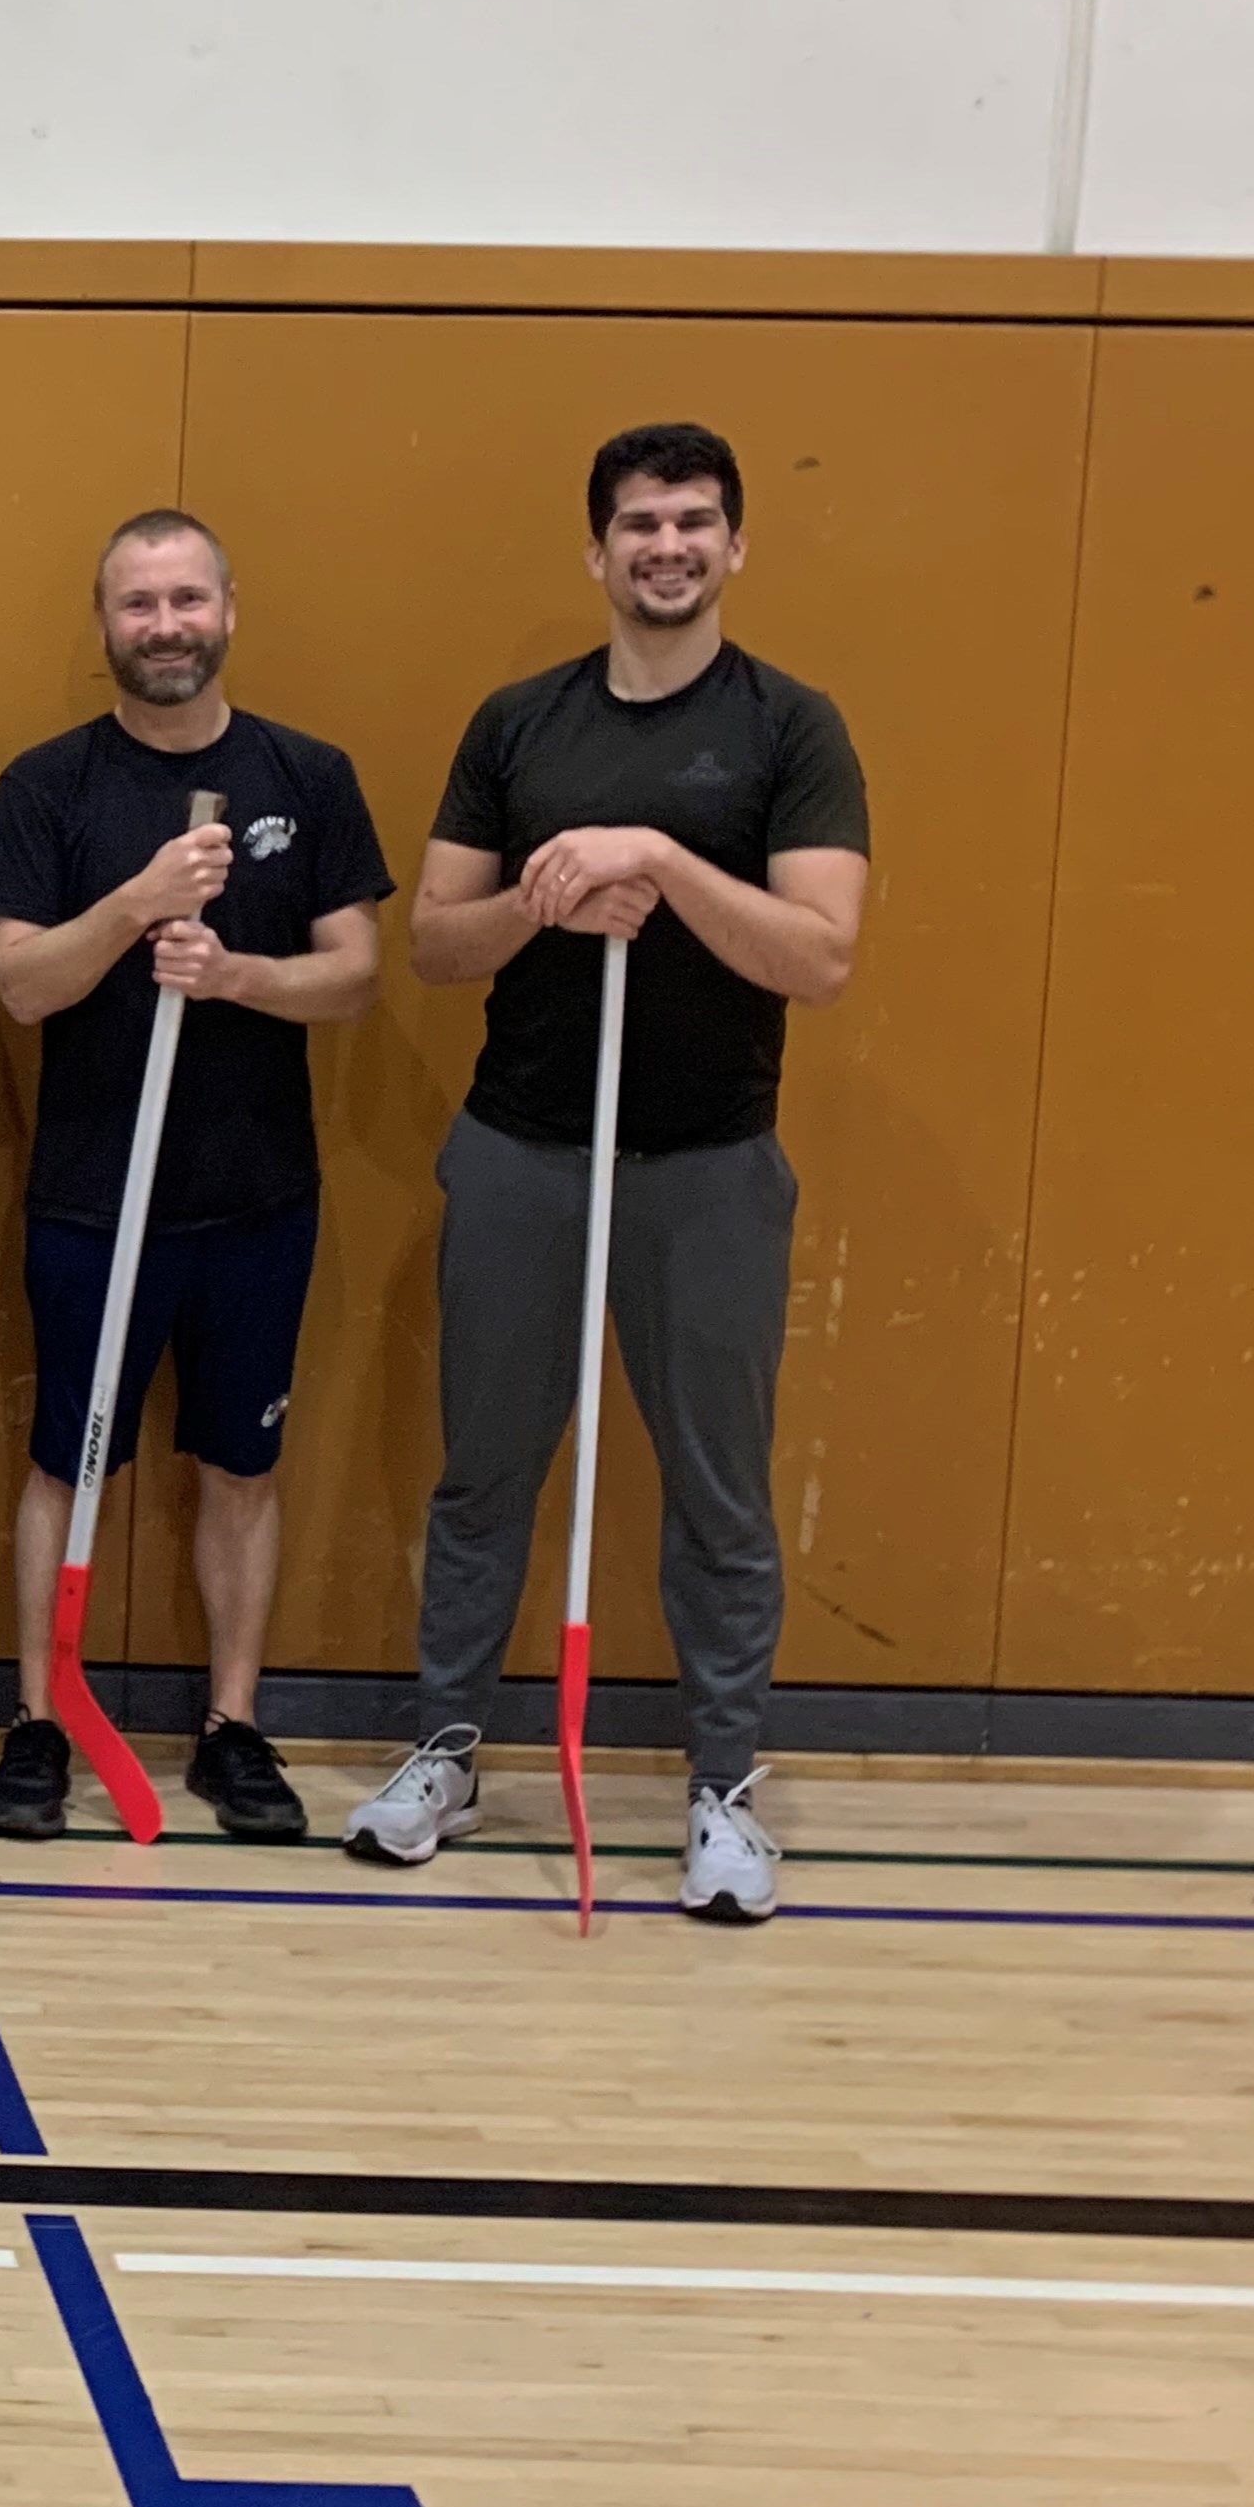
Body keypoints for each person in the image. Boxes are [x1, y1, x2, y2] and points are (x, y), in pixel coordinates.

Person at [344, 422, 868, 1923]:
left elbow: (822, 955)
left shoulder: (791, 728)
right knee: (483, 1474)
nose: (668, 546)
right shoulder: (521, 725)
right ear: (598, 550)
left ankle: (724, 1790)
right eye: (640, 523)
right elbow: (436, 944)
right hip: (526, 1152)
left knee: (720, 1493)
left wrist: (664, 861)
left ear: (736, 544)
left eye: (695, 521)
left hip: (708, 1168)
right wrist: (547, 899)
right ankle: (448, 1751)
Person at [0, 511, 391, 1844]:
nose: (165, 626)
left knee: (241, 1468)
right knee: (66, 1465)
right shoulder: (50, 785)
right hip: (95, 1198)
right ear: (105, 622)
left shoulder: (306, 774)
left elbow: (356, 974)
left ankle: (232, 1726)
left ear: (228, 609)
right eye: (139, 604)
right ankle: (41, 1719)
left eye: (186, 600)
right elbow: (21, 986)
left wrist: (237, 974)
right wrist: (138, 902)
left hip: (255, 1196)